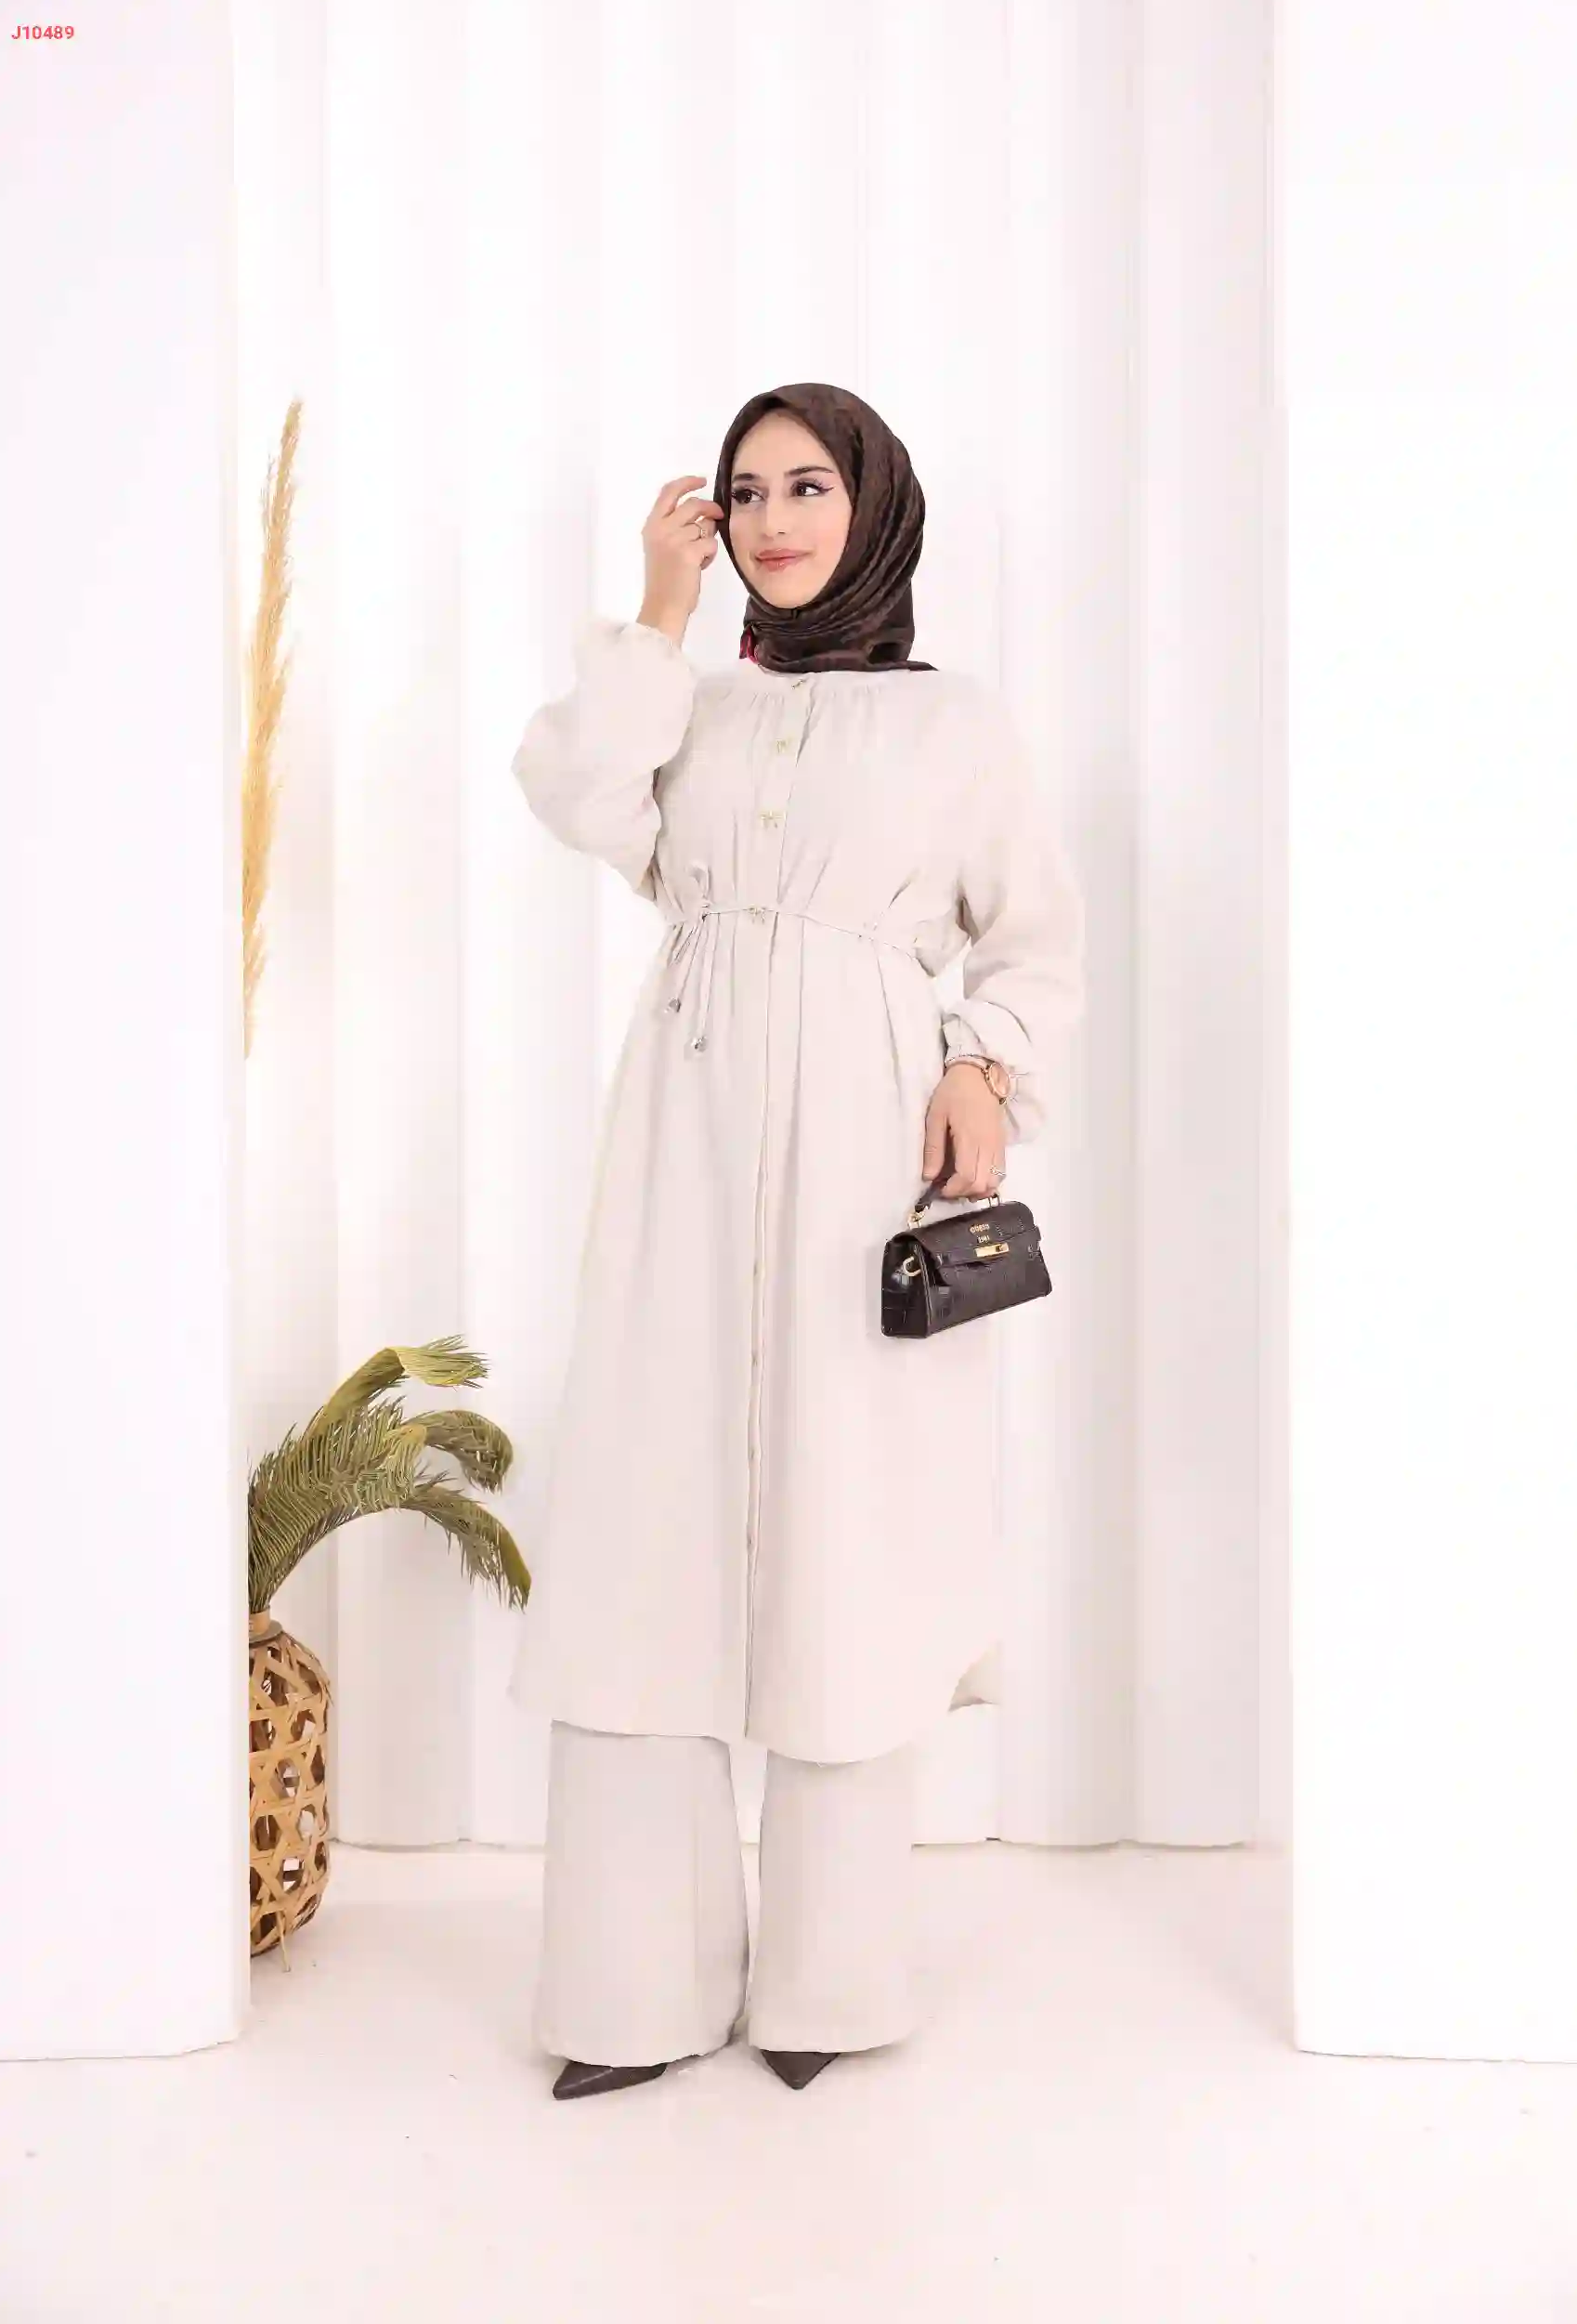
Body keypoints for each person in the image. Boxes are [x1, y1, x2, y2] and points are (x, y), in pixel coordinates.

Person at [507, 381, 1086, 2099]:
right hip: (679, 1142)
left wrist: (986, 1064)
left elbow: (1034, 937)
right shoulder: (690, 709)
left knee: (843, 1530)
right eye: (744, 491)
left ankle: (830, 1988)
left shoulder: (951, 724)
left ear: (874, 505)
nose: (772, 520)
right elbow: (574, 793)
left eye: (807, 486)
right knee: (647, 1533)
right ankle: (630, 1995)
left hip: (861, 1139)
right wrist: (658, 612)